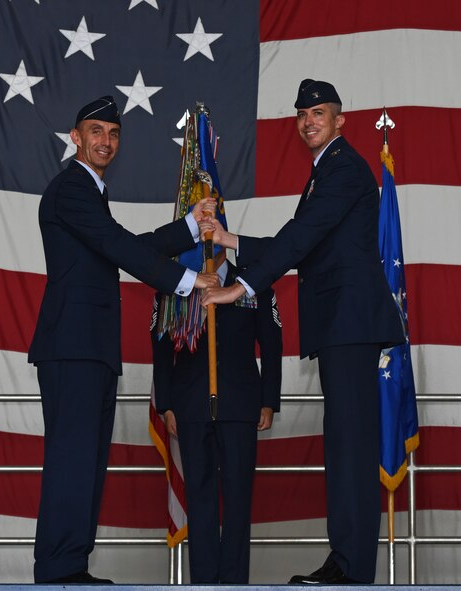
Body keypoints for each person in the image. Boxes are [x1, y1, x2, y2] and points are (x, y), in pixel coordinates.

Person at [201, 80, 405, 584]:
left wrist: (240, 285)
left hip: (351, 324)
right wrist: (231, 239)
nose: (308, 120)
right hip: (340, 326)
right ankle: (345, 559)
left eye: (319, 112)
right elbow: (303, 239)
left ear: (340, 120)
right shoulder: (325, 171)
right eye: (302, 114)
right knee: (341, 444)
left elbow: (301, 238)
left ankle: (353, 567)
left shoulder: (342, 168)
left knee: (352, 447)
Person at [28, 95, 218, 584]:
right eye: (96, 131)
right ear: (76, 137)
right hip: (73, 347)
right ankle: (57, 570)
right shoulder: (72, 188)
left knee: (86, 460)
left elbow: (122, 246)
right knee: (73, 458)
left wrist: (189, 229)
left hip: (89, 348)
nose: (105, 141)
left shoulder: (90, 193)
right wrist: (187, 280)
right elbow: (119, 247)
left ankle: (69, 565)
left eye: (113, 134)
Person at [151, 249, 282, 584]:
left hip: (240, 404)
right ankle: (205, 581)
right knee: (200, 496)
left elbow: (271, 342)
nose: (208, 242)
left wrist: (268, 400)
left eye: (214, 233)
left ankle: (235, 581)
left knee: (238, 497)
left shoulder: (253, 281)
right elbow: (162, 346)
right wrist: (165, 403)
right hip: (190, 405)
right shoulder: (175, 284)